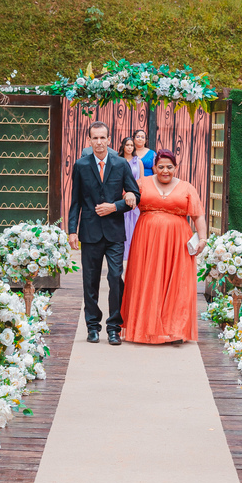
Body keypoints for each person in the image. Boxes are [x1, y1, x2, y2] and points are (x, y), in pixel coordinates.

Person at [120, 149, 203, 345]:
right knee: (147, 280)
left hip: (178, 242)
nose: (165, 171)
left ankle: (175, 330)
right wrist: (129, 193)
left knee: (177, 282)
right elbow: (126, 197)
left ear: (176, 168)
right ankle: (145, 327)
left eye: (169, 167)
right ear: (155, 167)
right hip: (146, 241)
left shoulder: (187, 187)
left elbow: (198, 215)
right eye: (161, 167)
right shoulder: (142, 183)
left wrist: (203, 239)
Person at [69, 122, 141, 345]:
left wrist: (115, 206)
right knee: (89, 281)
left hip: (114, 232)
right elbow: (75, 201)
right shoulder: (81, 165)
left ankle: (113, 328)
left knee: (115, 278)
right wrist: (72, 231)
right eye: (95, 138)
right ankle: (92, 326)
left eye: (103, 138)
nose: (99, 142)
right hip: (89, 232)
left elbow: (135, 196)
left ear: (109, 140)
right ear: (89, 140)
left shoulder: (120, 164)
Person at [118, 137, 143, 260]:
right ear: (123, 146)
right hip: (120, 197)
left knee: (134, 225)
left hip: (134, 196)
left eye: (131, 145)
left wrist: (132, 191)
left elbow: (142, 180)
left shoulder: (138, 162)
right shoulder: (118, 160)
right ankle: (121, 253)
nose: (129, 147)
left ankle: (133, 253)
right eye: (127, 145)